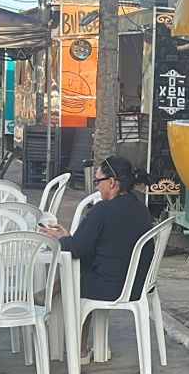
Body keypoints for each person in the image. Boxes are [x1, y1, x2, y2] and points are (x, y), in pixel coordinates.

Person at [39, 155, 154, 361]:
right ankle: (50, 294)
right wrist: (68, 238)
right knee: (84, 267)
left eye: (97, 181)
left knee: (74, 276)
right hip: (137, 285)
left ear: (111, 182)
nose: (96, 187)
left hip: (109, 286)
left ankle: (79, 350)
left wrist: (60, 239)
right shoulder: (142, 210)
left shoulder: (102, 210)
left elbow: (77, 249)